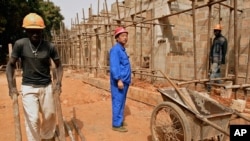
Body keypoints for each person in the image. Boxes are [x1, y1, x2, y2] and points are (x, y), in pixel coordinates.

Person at [6, 13, 63, 141]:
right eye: (31, 31)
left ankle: (47, 137)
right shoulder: (20, 44)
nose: (35, 34)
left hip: (46, 86)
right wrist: (11, 87)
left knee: (50, 116)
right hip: (28, 87)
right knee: (33, 119)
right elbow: (10, 66)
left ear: (42, 31)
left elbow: (59, 66)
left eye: (38, 31)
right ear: (26, 31)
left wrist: (58, 83)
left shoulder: (49, 47)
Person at [109, 27, 131, 132]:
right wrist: (118, 80)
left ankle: (120, 120)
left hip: (125, 81)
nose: (125, 37)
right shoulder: (115, 50)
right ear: (117, 38)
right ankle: (116, 125)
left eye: (126, 35)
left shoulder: (122, 50)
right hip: (119, 82)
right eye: (122, 36)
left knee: (122, 101)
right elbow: (114, 67)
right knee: (117, 101)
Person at [208, 24, 227, 92]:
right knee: (218, 74)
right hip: (214, 59)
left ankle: (209, 88)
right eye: (214, 31)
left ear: (219, 31)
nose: (215, 32)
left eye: (216, 31)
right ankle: (222, 87)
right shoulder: (215, 39)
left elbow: (224, 51)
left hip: (218, 59)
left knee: (212, 73)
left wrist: (222, 60)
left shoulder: (223, 39)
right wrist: (210, 56)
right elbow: (212, 48)